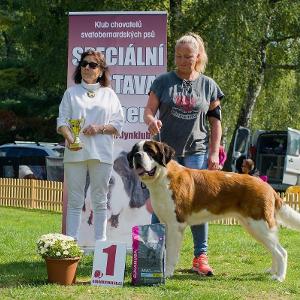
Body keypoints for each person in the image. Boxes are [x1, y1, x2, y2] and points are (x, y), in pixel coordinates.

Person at [144, 32, 224, 276]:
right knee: (160, 204)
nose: (181, 61)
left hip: (196, 153)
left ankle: (200, 256)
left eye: (187, 56)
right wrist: (150, 122)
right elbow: (149, 111)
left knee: (198, 206)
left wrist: (214, 151)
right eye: (178, 55)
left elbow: (216, 122)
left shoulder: (209, 85)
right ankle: (153, 255)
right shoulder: (163, 81)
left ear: (198, 56)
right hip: (166, 155)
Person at [57, 50, 124, 242]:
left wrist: (99, 128)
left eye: (93, 65)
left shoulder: (109, 95)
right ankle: (70, 244)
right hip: (74, 152)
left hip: (101, 153)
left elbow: (118, 124)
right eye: (84, 63)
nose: (87, 67)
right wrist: (70, 138)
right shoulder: (71, 93)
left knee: (100, 200)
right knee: (75, 200)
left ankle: (100, 246)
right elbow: (61, 121)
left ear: (101, 71)